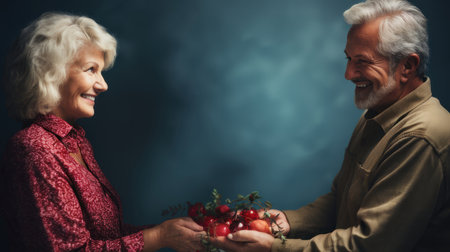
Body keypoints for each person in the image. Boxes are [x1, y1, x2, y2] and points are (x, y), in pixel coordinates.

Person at [211, 0, 450, 251]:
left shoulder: (419, 138)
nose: (348, 74)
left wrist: (273, 248)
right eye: (349, 59)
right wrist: (289, 222)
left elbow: (370, 246)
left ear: (407, 66)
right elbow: (342, 201)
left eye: (362, 61)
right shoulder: (378, 112)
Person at [0, 12, 205, 251]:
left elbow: (106, 236)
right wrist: (159, 237)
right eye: (91, 69)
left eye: (101, 71)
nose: (103, 85)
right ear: (50, 73)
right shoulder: (34, 149)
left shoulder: (75, 141)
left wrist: (170, 233)